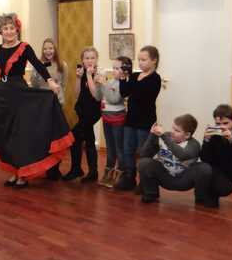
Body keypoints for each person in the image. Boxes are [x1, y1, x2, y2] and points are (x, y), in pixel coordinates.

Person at [0, 13, 73, 188]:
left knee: (19, 136)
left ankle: (23, 175)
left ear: (17, 30)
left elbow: (38, 64)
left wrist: (50, 81)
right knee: (5, 135)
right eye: (5, 28)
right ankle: (14, 172)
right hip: (2, 94)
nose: (9, 31)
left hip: (19, 94)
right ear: (1, 31)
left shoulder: (24, 47)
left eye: (11, 28)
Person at [137, 114, 213, 206]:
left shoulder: (194, 144)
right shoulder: (166, 136)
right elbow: (144, 154)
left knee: (204, 168)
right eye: (173, 128)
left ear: (187, 135)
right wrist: (152, 135)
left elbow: (182, 155)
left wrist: (164, 137)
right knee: (144, 162)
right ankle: (150, 194)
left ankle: (201, 198)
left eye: (177, 131)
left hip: (184, 179)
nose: (172, 132)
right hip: (165, 176)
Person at [116, 46, 162, 191]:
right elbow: (124, 93)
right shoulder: (135, 76)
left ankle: (145, 181)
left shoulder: (155, 78)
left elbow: (142, 95)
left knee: (144, 152)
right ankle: (129, 177)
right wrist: (123, 79)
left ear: (154, 60)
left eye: (144, 60)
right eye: (139, 60)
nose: (140, 63)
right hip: (131, 119)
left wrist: (130, 81)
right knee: (128, 149)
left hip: (145, 121)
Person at [29, 38, 68, 180]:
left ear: (55, 49)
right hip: (42, 106)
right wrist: (35, 73)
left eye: (50, 48)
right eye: (45, 48)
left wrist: (59, 99)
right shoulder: (37, 64)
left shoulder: (62, 65)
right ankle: (45, 166)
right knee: (44, 138)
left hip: (56, 104)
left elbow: (63, 85)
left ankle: (55, 168)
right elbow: (34, 85)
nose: (48, 51)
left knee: (56, 138)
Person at [63, 48, 102, 182]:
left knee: (73, 137)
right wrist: (79, 78)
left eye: (92, 58)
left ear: (96, 59)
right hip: (82, 111)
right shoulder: (83, 73)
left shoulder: (98, 74)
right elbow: (77, 94)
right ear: (82, 60)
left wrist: (90, 75)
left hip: (92, 112)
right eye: (87, 58)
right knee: (89, 139)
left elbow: (95, 94)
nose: (90, 60)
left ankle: (77, 169)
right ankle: (92, 172)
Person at [95, 56, 129, 188]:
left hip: (118, 120)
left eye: (117, 68)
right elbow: (99, 97)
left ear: (125, 70)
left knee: (119, 148)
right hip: (106, 118)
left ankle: (121, 175)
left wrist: (104, 84)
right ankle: (108, 174)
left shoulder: (123, 83)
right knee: (110, 148)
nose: (114, 70)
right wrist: (99, 84)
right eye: (113, 68)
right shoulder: (110, 82)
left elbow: (114, 99)